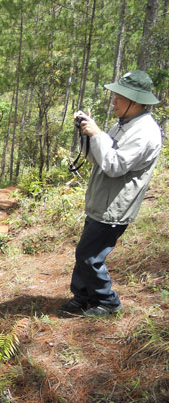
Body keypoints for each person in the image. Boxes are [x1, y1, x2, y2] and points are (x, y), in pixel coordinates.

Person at [60, 70, 162, 317]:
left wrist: (97, 134)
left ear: (135, 101)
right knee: (84, 253)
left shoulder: (145, 132)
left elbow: (115, 166)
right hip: (101, 201)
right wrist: (89, 134)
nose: (113, 102)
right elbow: (100, 159)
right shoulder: (124, 123)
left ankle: (108, 301)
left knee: (89, 256)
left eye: (118, 97)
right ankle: (83, 296)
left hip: (115, 207)